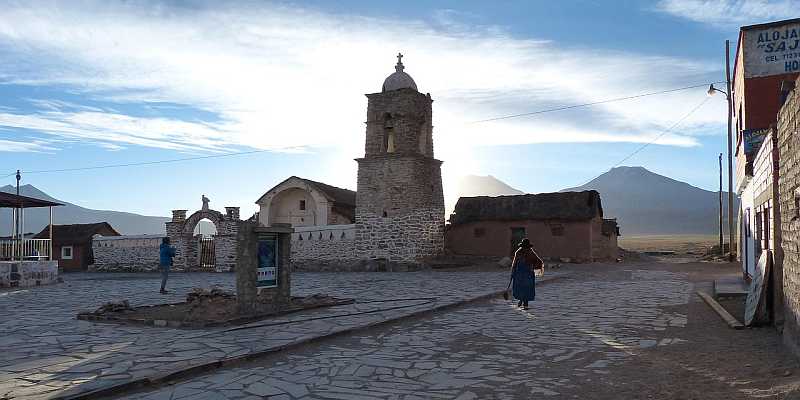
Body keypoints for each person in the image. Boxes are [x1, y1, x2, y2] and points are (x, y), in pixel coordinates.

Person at [509, 238, 543, 310]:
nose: (525, 248)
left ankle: (525, 304)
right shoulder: (518, 252)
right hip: (519, 273)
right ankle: (521, 300)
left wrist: (532, 267)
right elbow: (514, 263)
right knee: (520, 287)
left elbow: (539, 262)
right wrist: (513, 272)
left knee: (527, 288)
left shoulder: (531, 253)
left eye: (526, 247)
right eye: (524, 247)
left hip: (528, 274)